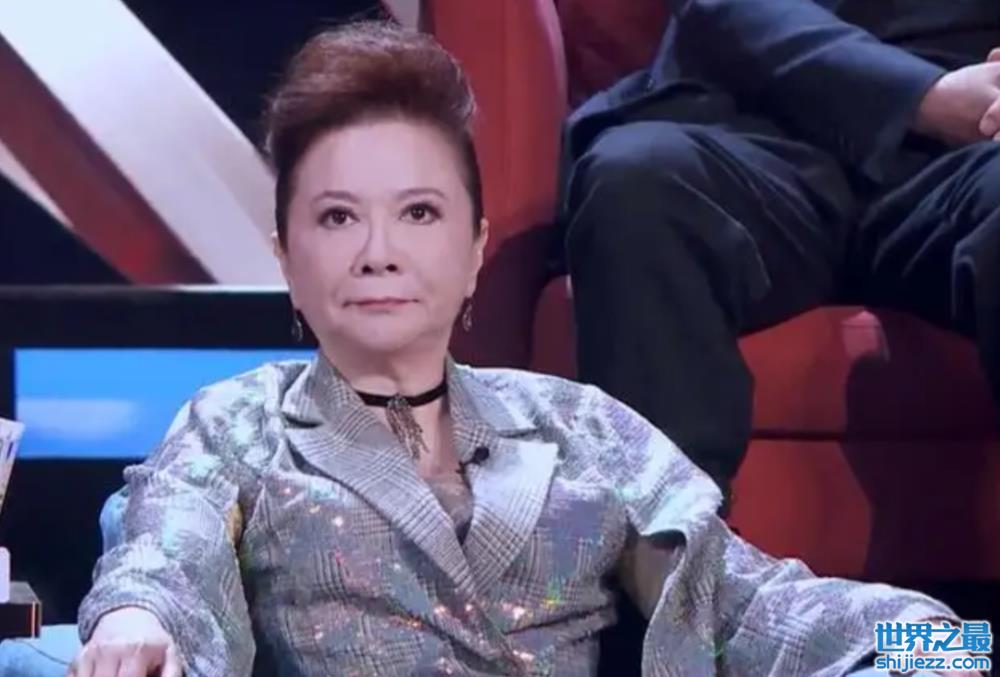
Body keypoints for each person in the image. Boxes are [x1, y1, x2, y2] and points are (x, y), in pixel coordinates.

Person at [69, 21, 973, 677]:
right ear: (286, 258)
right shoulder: (238, 420)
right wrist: (137, 619)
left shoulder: (581, 426)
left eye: (418, 213)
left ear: (474, 250)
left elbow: (747, 601)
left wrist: (949, 646)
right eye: (338, 217)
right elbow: (165, 548)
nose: (379, 251)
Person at [560, 0, 1000, 509]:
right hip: (753, 122)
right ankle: (668, 545)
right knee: (635, 183)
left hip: (974, 149)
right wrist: (925, 97)